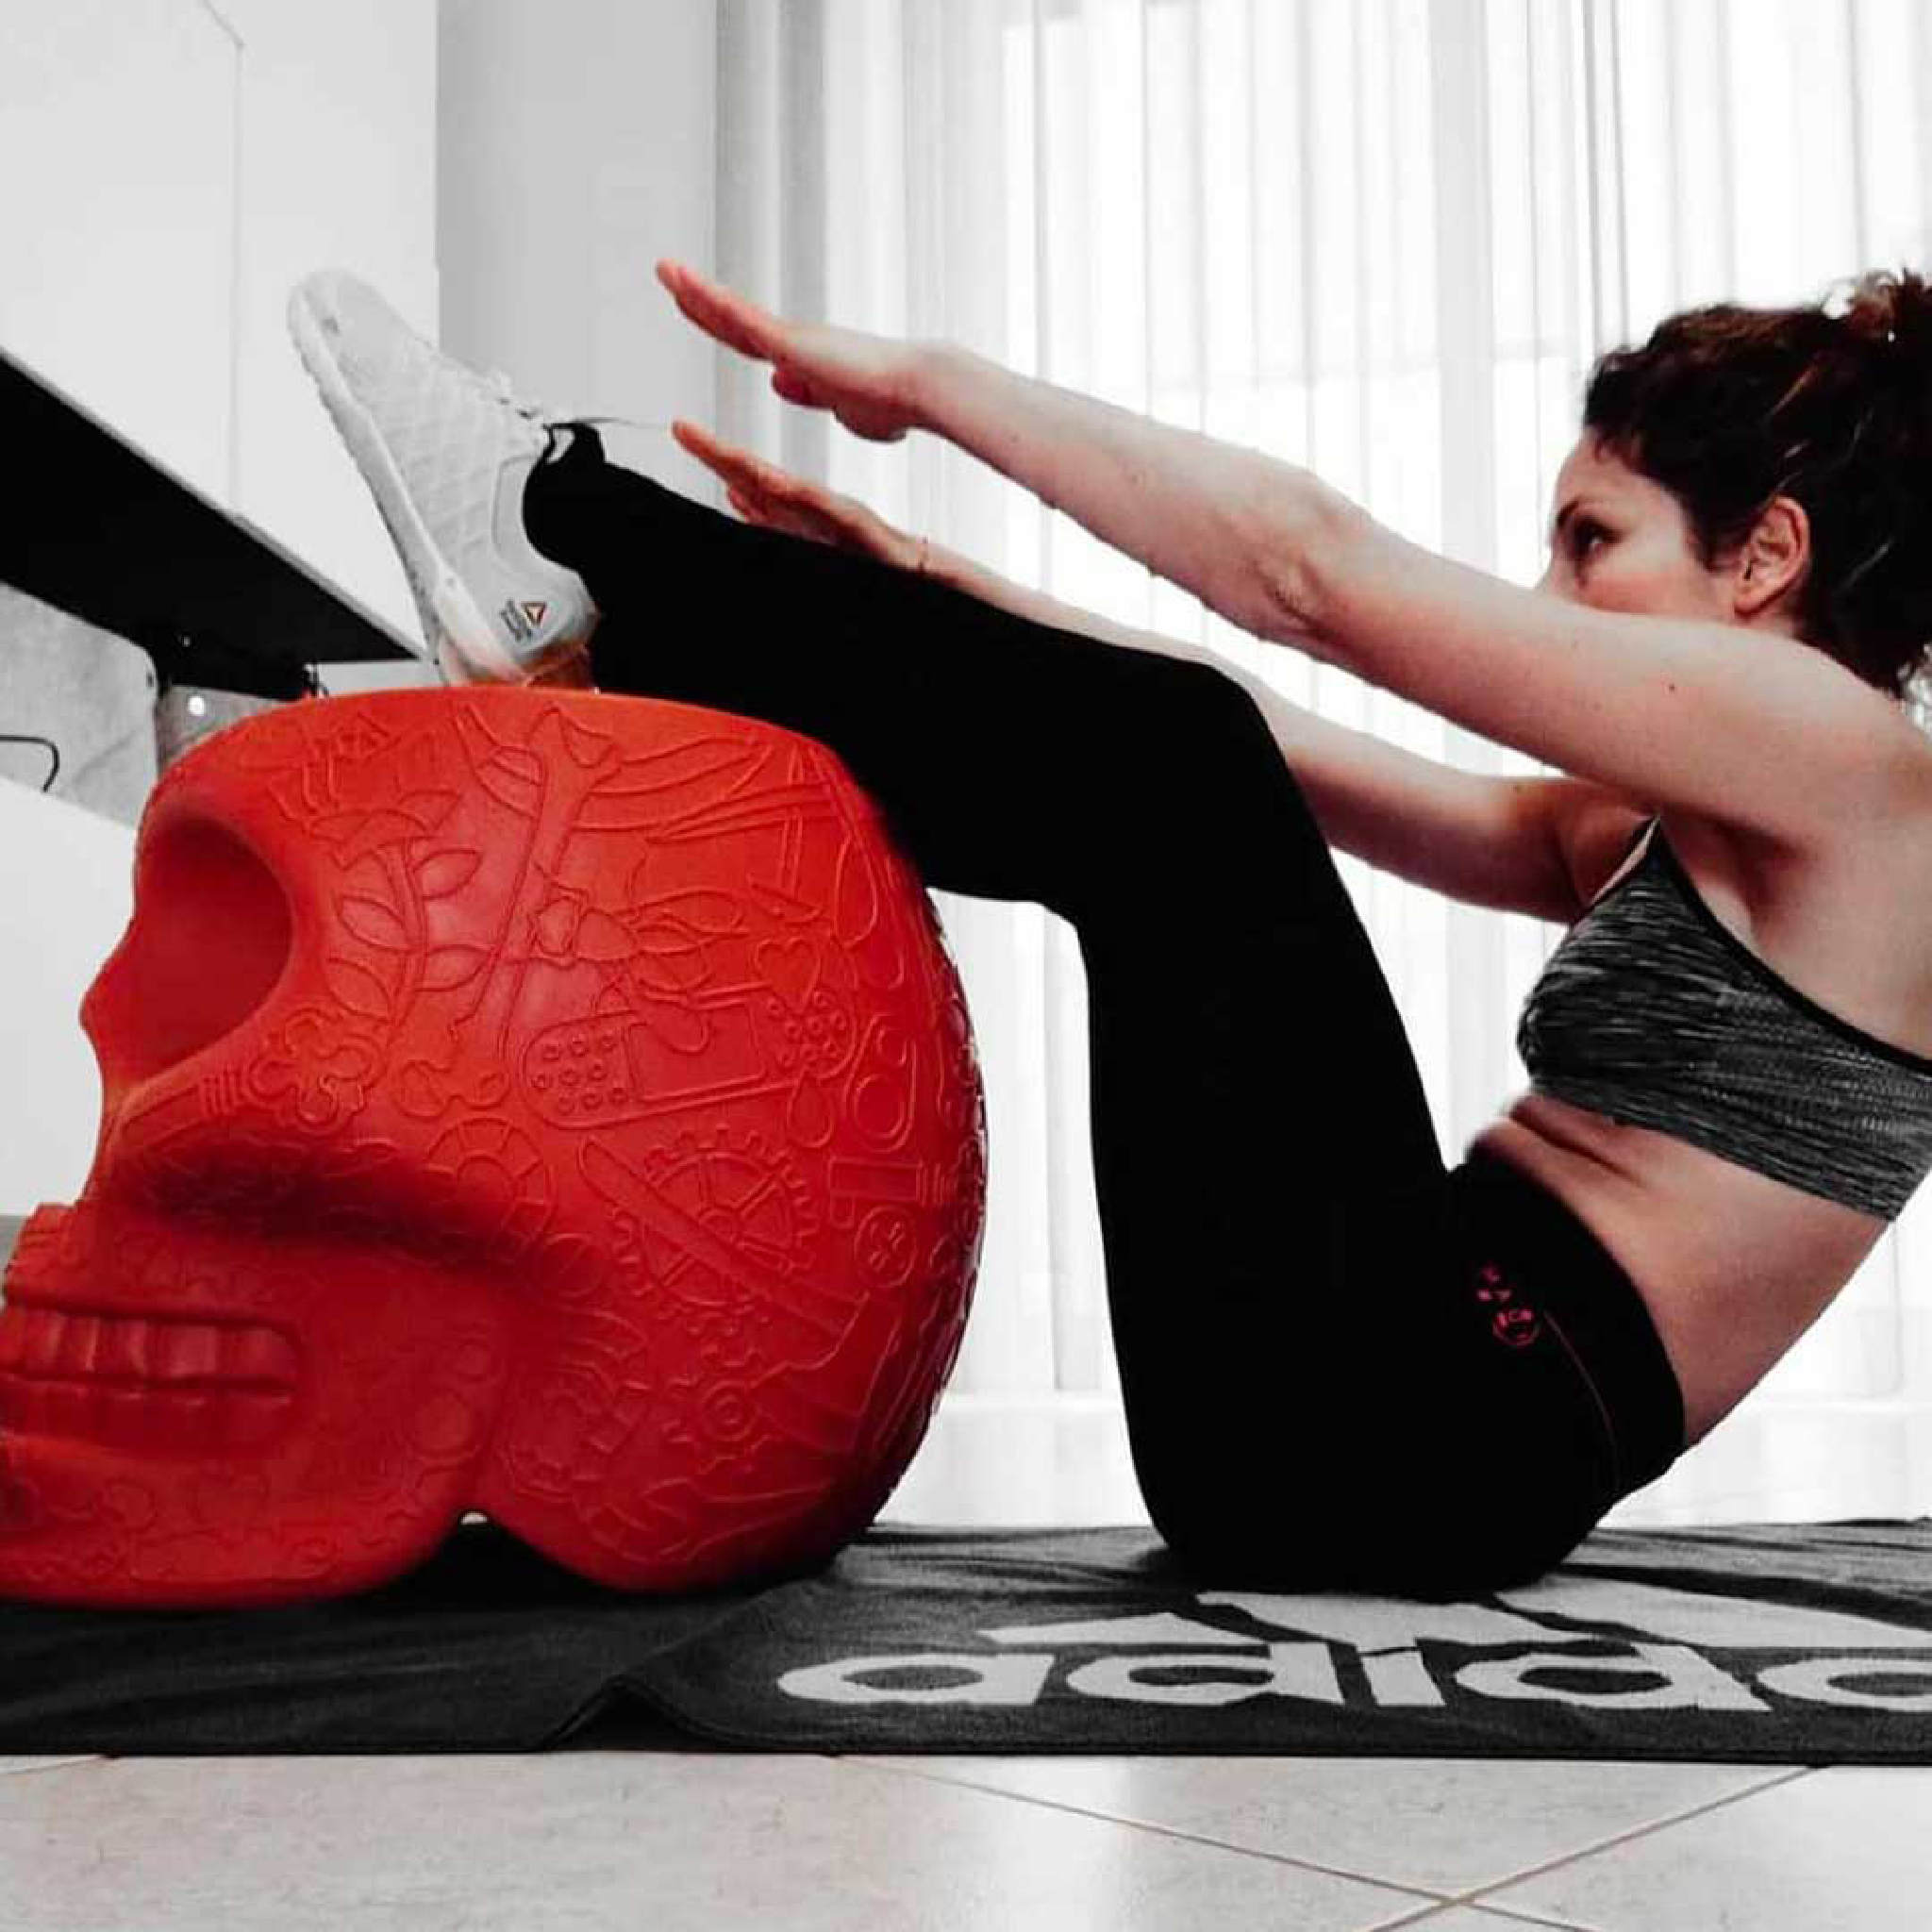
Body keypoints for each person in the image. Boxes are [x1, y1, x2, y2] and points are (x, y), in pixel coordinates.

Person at [287, 260, 1932, 1595]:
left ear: (1766, 556)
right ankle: (607, 622)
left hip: (1435, 1427)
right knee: (1188, 768)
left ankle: (570, 540)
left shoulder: (1859, 774)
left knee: (1180, 772)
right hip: (1340, 1421)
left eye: (1591, 544)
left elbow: (1309, 578)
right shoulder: (1672, 823)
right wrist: (921, 581)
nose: (1548, 603)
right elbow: (1266, 742)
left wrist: (929, 386)